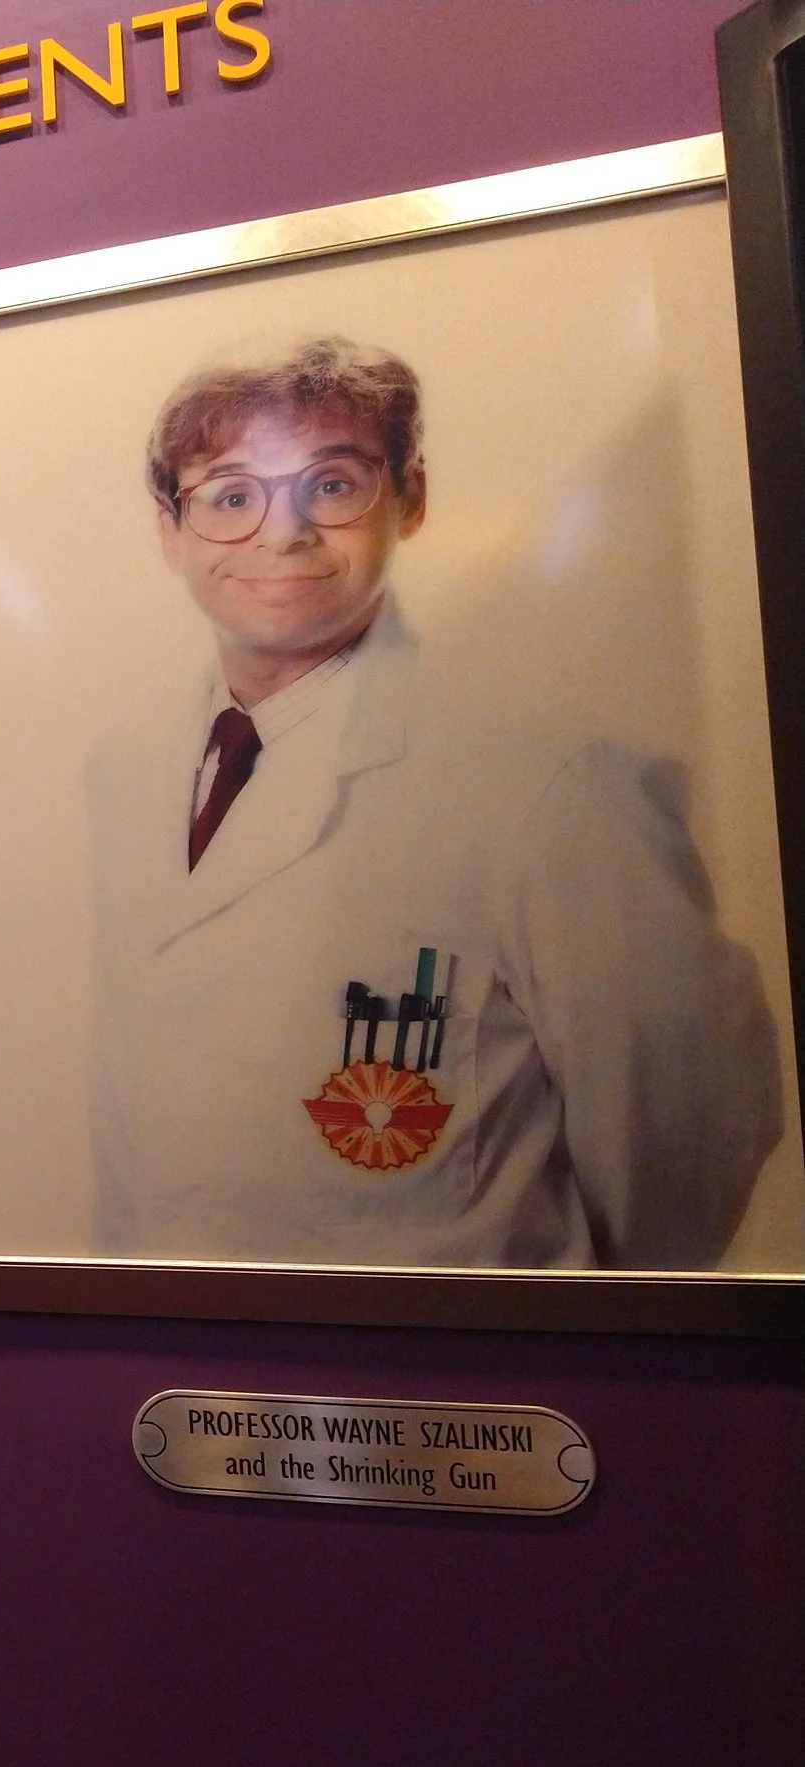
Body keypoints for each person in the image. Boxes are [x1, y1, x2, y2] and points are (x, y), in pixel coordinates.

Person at [85, 337, 782, 1268]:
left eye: (331, 485)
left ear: (411, 498)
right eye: (231, 495)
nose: (281, 532)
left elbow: (689, 1135)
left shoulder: (554, 781)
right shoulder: (125, 766)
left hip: (457, 1391)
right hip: (174, 1365)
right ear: (170, 530)